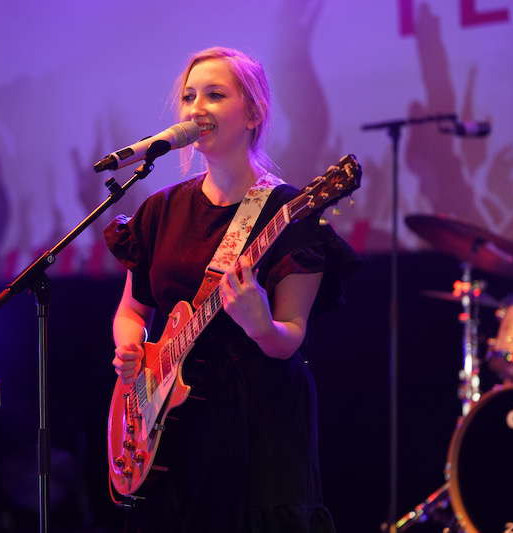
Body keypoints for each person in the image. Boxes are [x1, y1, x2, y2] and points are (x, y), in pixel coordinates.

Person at [104, 46, 357, 533]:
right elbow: (131, 311)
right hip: (172, 428)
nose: (197, 108)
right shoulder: (160, 210)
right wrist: (129, 346)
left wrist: (261, 324)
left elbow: (289, 338)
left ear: (254, 113)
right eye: (189, 96)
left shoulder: (288, 212)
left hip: (257, 426)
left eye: (215, 95)